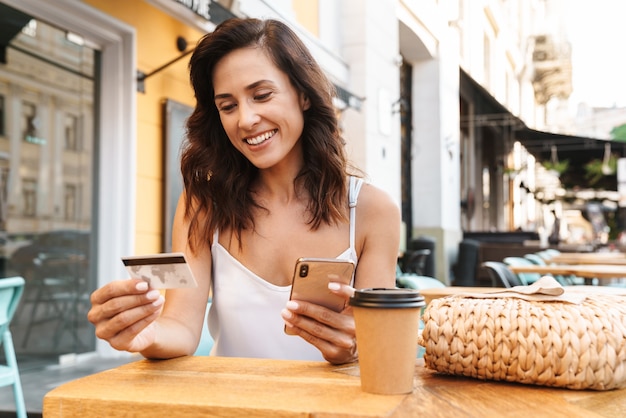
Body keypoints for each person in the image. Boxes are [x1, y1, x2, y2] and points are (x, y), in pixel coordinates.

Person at [88, 17, 400, 365]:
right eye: (228, 105)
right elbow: (180, 326)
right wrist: (146, 335)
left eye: (261, 95)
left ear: (303, 95)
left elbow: (383, 350)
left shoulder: (372, 211)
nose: (246, 119)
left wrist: (354, 349)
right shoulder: (203, 205)